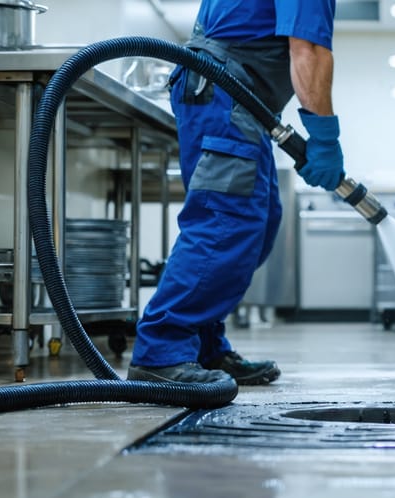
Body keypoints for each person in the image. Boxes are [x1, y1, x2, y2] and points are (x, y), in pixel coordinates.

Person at [127, 0, 344, 385]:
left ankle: (205, 347)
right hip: (225, 90)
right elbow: (307, 49)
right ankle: (161, 351)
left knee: (257, 225)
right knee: (226, 221)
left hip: (234, 95)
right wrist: (325, 137)